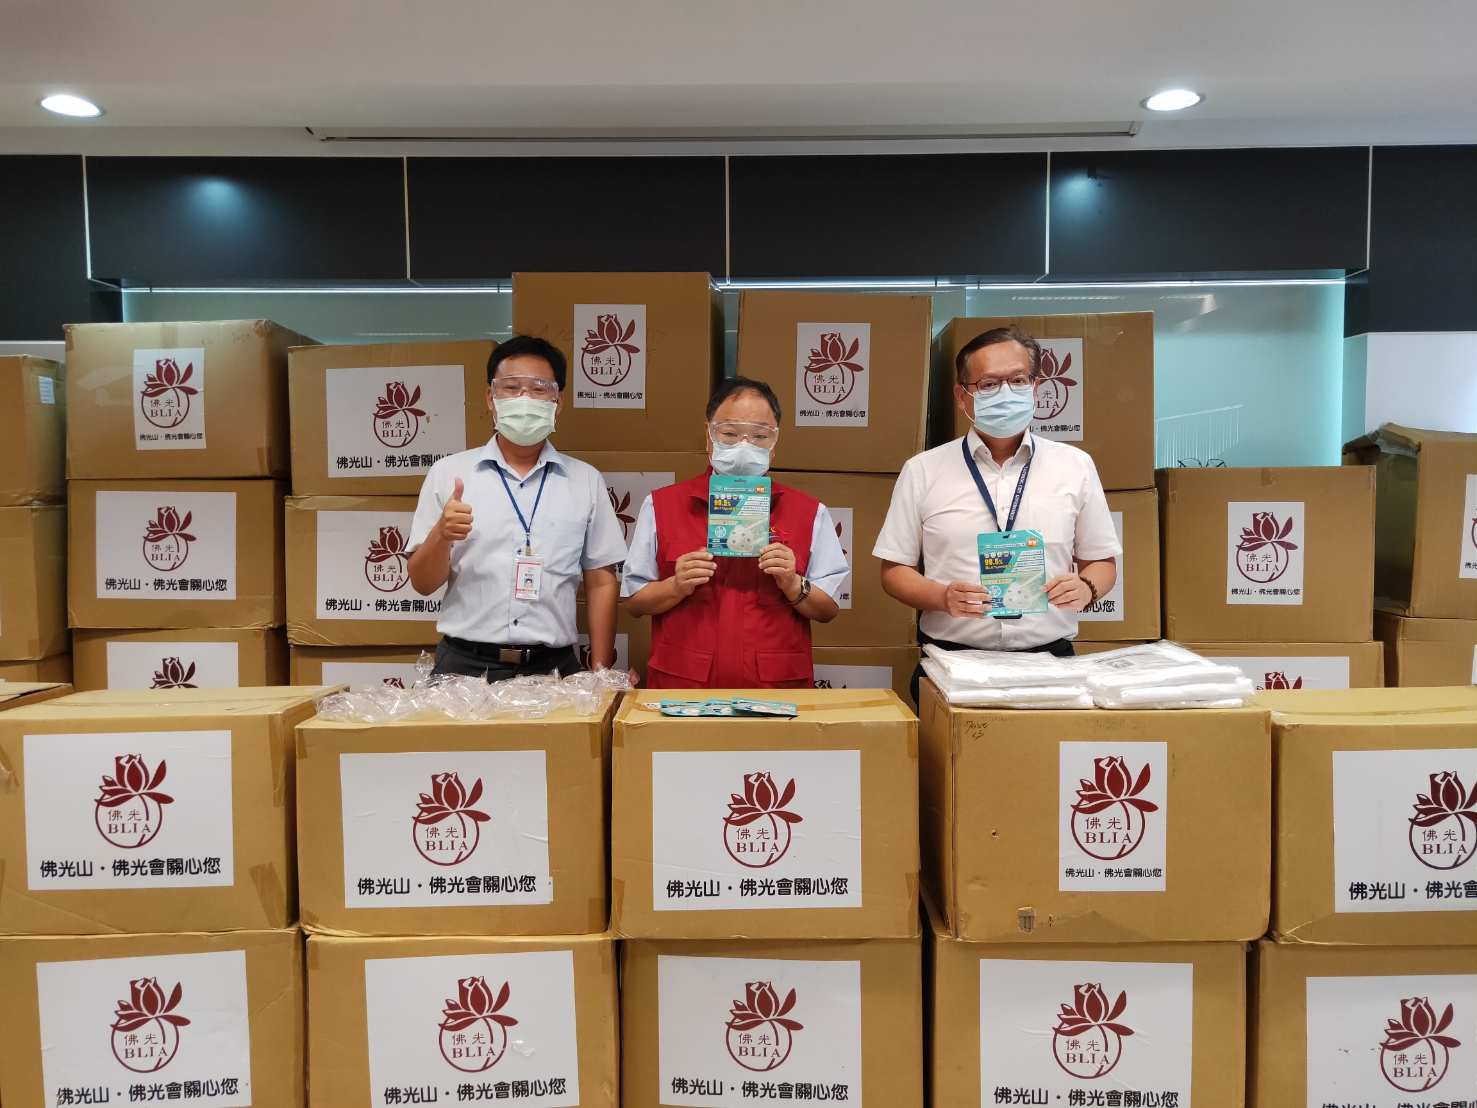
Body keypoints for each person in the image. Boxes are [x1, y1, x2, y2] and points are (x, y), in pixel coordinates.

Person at [873, 326, 1121, 704]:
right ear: (962, 396)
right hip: (951, 663)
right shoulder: (923, 470)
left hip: (1049, 664)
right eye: (989, 384)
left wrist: (1086, 588)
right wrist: (942, 597)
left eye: (1018, 380)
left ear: (1036, 388)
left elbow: (1102, 562)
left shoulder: (1075, 466)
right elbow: (893, 571)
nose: (1006, 392)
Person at [406, 335, 628, 680]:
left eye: (539, 389)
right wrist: (441, 535)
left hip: (553, 668)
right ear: (491, 398)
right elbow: (422, 583)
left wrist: (600, 674)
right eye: (511, 388)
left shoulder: (585, 480)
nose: (524, 399)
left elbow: (601, 581)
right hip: (464, 666)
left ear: (558, 401)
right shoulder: (449, 473)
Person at [622, 376, 850, 688]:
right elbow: (634, 602)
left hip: (774, 693)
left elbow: (828, 610)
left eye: (759, 435)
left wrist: (793, 584)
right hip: (685, 691)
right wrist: (675, 586)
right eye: (729, 433)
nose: (744, 446)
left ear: (774, 444)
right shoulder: (662, 506)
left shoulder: (809, 513)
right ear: (708, 435)